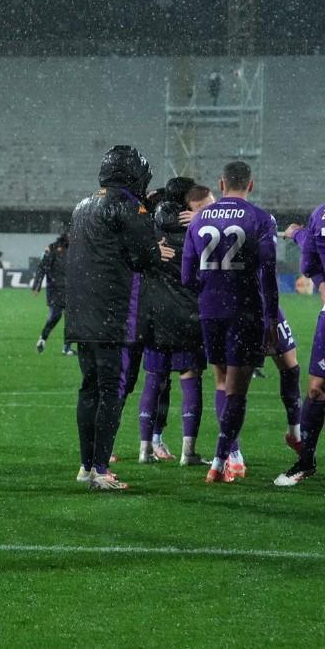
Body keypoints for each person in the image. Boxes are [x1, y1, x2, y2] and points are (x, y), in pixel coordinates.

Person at [65, 145, 173, 491]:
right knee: (111, 392)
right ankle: (100, 470)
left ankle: (86, 466)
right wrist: (158, 250)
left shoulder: (82, 207)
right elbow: (144, 258)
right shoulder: (128, 206)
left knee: (90, 389)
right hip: (114, 314)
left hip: (82, 314)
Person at [182, 161, 279, 483]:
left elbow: (186, 276)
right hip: (245, 310)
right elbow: (268, 273)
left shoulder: (198, 221)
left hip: (210, 310)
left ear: (221, 184)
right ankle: (223, 458)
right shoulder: (260, 218)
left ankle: (229, 455)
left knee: (221, 381)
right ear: (250, 185)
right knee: (238, 389)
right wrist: (269, 319)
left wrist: (209, 289)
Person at [132, 179, 207, 465]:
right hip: (189, 315)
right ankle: (188, 452)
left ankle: (144, 449)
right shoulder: (198, 230)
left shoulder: (150, 228)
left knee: (153, 381)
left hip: (155, 316)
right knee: (190, 381)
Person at [276, 208, 325, 486]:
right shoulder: (321, 215)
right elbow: (312, 259)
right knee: (317, 389)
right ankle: (306, 461)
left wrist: (296, 233)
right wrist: (321, 285)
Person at [32, 232, 73, 355]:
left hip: (71, 290)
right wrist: (37, 286)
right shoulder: (53, 249)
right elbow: (42, 268)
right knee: (56, 316)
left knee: (71, 319)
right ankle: (42, 339)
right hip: (55, 289)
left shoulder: (77, 250)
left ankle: (66, 348)